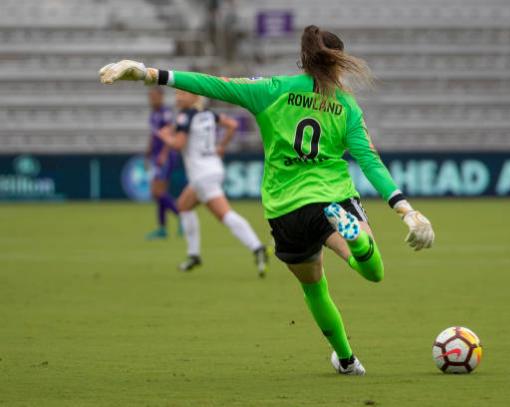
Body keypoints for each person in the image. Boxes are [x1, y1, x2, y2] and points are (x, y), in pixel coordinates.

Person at [99, 25, 435, 375]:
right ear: (338, 64)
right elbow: (370, 160)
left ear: (303, 61)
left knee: (314, 288)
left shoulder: (273, 89)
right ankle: (357, 241)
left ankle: (347, 360)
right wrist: (405, 209)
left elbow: (214, 84)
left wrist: (147, 73)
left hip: (285, 208)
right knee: (373, 271)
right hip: (332, 196)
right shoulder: (346, 107)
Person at [156, 89, 269, 276]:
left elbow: (178, 144)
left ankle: (257, 248)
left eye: (182, 94)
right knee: (183, 205)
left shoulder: (186, 115)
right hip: (213, 168)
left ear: (194, 97)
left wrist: (164, 137)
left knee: (224, 214)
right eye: (176, 94)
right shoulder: (208, 114)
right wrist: (222, 147)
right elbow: (231, 124)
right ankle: (193, 255)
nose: (178, 97)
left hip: (201, 175)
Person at [145, 87, 180, 240]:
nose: (152, 99)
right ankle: (162, 228)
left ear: (161, 97)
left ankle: (182, 216)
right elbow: (155, 135)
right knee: (160, 193)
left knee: (156, 192)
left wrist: (164, 154)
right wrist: (149, 150)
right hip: (157, 155)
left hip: (166, 156)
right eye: (150, 96)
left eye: (155, 96)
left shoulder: (165, 113)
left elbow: (170, 134)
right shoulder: (153, 115)